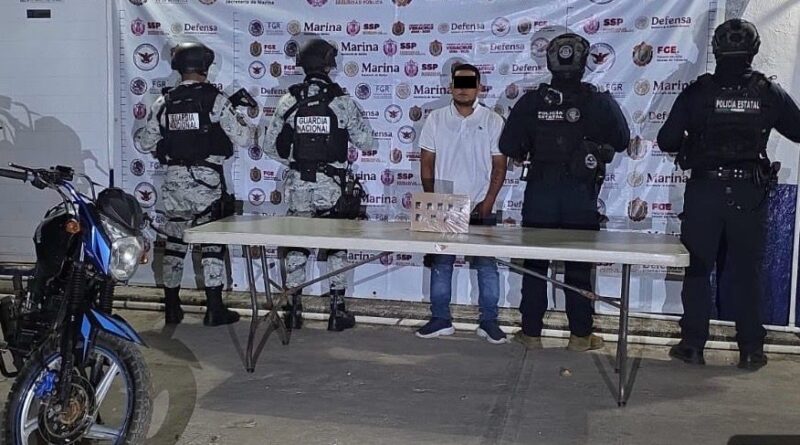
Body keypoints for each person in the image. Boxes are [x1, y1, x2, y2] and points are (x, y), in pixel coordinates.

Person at [657, 19, 800, 370]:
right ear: (754, 50)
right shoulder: (767, 91)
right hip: (748, 193)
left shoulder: (698, 92)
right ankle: (751, 350)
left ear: (716, 49)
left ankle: (692, 345)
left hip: (705, 191)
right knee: (746, 272)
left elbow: (667, 140)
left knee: (697, 269)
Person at [499, 33, 629, 351]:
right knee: (579, 266)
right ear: (584, 63)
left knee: (535, 265)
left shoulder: (532, 102)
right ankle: (580, 335)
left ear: (550, 62)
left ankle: (531, 333)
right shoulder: (597, 101)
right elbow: (622, 140)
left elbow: (508, 145)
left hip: (540, 192)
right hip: (579, 194)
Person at [137, 42, 254, 327]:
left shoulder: (164, 102)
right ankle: (214, 309)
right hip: (206, 181)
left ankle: (172, 307)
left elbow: (144, 142)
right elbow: (243, 138)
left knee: (175, 243)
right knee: (211, 243)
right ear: (204, 67)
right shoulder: (215, 99)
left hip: (174, 181)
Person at [261, 38, 375, 332]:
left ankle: (293, 310)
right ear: (328, 64)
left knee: (297, 244)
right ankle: (337, 312)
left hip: (299, 184)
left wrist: (297, 162)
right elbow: (367, 142)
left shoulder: (289, 100)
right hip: (332, 186)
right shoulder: (340, 101)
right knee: (336, 245)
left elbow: (269, 145)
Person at [414, 63, 509, 344]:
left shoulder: (493, 120)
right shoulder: (436, 119)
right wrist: (433, 200)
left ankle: (489, 321)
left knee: (486, 265)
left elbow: (499, 166)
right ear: (450, 87)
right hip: (445, 203)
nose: (464, 89)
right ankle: (440, 319)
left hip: (481, 203)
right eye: (459, 83)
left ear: (479, 87)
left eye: (469, 84)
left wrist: (488, 202)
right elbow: (426, 163)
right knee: (441, 264)